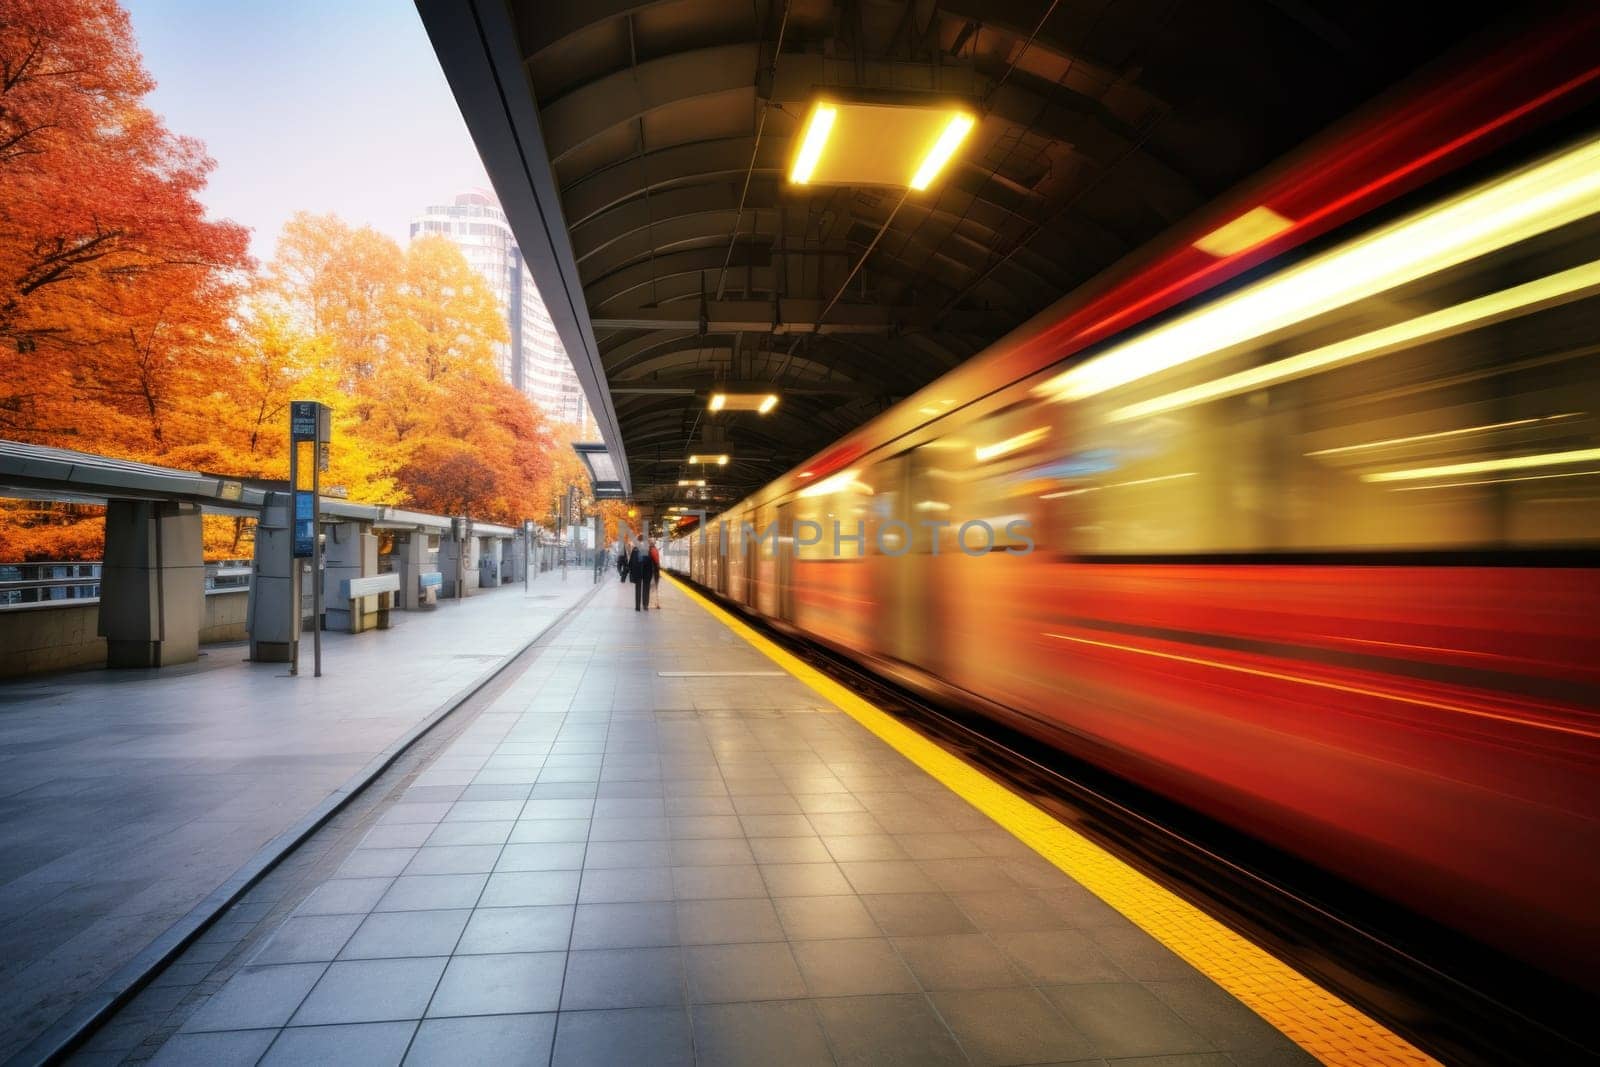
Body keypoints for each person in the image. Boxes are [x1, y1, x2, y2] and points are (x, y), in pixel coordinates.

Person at [628, 535, 656, 611]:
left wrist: (631, 573)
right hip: (646, 572)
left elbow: (631, 563)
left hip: (640, 572)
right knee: (645, 588)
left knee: (639, 588)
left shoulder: (636, 549)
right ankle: (645, 605)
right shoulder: (649, 549)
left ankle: (638, 606)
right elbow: (654, 562)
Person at [648, 538, 662, 609]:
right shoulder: (654, 550)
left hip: (650, 571)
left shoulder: (649, 549)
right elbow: (657, 561)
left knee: (650, 587)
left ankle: (650, 603)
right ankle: (655, 603)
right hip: (654, 571)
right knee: (654, 588)